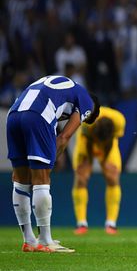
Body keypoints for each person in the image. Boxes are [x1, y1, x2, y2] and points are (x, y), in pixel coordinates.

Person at [8, 75, 100, 253]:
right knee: (41, 180)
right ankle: (45, 240)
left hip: (14, 114)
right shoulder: (88, 102)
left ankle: (29, 240)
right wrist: (50, 162)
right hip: (38, 116)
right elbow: (64, 137)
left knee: (20, 180)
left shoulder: (67, 88)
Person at [72, 106, 126, 235]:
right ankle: (81, 223)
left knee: (112, 176)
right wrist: (88, 163)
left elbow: (111, 141)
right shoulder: (87, 121)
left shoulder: (119, 120)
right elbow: (89, 143)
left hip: (109, 142)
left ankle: (111, 224)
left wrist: (105, 160)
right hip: (86, 140)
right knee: (82, 177)